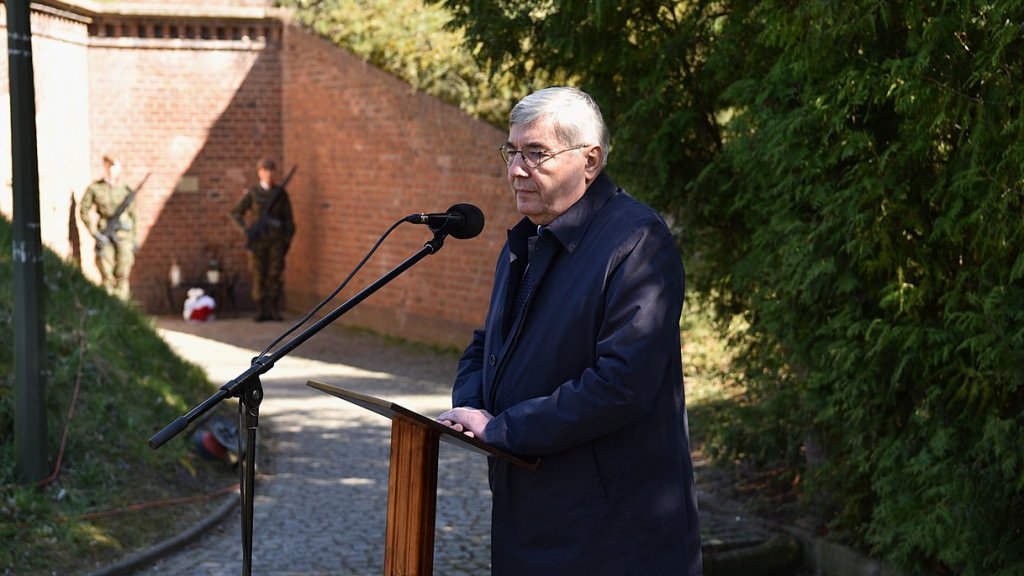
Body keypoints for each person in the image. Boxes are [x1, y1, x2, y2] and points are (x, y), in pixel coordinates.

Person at [438, 87, 703, 575]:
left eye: (536, 153)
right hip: (530, 513)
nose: (517, 169)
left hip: (609, 534)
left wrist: (502, 429)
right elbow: (487, 346)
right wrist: (472, 408)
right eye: (512, 151)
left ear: (590, 161)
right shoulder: (529, 237)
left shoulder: (637, 240)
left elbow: (621, 385)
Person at [230, 158, 296, 322]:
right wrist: (245, 230)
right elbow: (235, 213)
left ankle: (273, 308)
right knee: (258, 273)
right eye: (265, 170)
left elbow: (288, 219)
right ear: (259, 172)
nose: (269, 173)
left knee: (275, 273)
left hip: (275, 241)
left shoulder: (280, 193)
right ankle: (261, 309)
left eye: (271, 170)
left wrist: (286, 239)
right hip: (257, 241)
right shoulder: (253, 193)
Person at [79, 155, 138, 300]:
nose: (111, 169)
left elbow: (134, 217)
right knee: (106, 271)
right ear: (105, 167)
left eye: (114, 165)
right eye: (109, 165)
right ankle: (109, 304)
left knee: (123, 272)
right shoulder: (95, 188)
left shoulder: (125, 190)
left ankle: (123, 307)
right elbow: (84, 210)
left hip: (124, 236)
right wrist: (94, 233)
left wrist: (134, 240)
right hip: (105, 233)